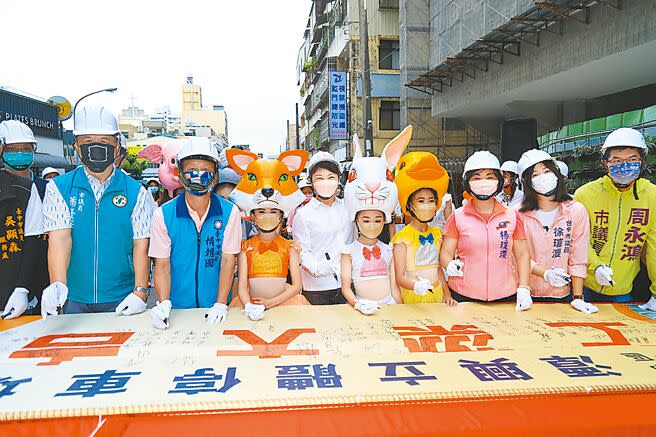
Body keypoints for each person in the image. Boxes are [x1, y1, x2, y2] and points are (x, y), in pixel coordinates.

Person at [41, 105, 156, 316]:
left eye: (104, 142)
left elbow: (141, 244)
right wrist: (57, 285)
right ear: (75, 146)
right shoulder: (59, 188)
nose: (95, 149)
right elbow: (59, 240)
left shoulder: (135, 191)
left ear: (117, 146)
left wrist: (140, 291)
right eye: (87, 143)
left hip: (121, 296)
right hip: (72, 297)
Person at [149, 138, 242, 328]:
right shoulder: (163, 215)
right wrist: (164, 301)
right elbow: (162, 264)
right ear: (179, 173)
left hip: (217, 307)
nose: (198, 175)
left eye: (206, 170)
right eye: (191, 169)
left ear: (215, 175)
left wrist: (221, 303)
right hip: (178, 309)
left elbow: (227, 261)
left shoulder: (230, 212)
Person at [573, 128, 656, 309]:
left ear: (642, 162)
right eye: (617, 161)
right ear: (605, 164)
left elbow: (654, 248)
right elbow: (577, 240)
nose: (624, 166)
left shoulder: (652, 196)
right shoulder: (585, 194)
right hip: (584, 285)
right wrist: (595, 267)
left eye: (632, 160)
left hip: (622, 289)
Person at [440, 151, 532, 310]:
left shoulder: (512, 216)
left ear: (499, 181)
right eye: (477, 177)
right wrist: (449, 265)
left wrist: (524, 288)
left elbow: (522, 254)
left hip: (505, 295)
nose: (484, 182)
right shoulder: (458, 217)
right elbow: (446, 252)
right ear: (467, 182)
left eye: (490, 177)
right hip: (463, 295)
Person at [226, 148, 310, 319]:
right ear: (252, 216)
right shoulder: (245, 247)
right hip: (251, 304)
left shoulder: (290, 246)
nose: (267, 216)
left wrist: (270, 303)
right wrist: (249, 305)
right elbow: (242, 285)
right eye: (261, 212)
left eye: (273, 211)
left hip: (285, 304)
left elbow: (296, 286)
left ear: (281, 215)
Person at [516, 149, 597, 314]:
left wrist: (578, 297)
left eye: (546, 171)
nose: (543, 177)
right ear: (526, 182)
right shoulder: (518, 214)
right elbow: (515, 256)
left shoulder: (575, 211)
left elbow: (578, 256)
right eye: (535, 175)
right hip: (525, 294)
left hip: (562, 295)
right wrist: (544, 273)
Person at [341, 130, 409, 313]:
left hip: (391, 306)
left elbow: (394, 286)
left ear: (384, 221)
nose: (372, 224)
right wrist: (357, 304)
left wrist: (402, 310)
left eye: (378, 220)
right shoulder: (348, 251)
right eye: (366, 219)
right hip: (363, 307)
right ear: (356, 220)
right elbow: (346, 287)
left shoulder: (389, 249)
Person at [392, 150, 455, 305]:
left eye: (431, 201)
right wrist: (416, 286)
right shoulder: (401, 237)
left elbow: (438, 269)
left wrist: (447, 294)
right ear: (411, 206)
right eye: (421, 201)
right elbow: (399, 277)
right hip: (413, 296)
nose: (427, 205)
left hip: (438, 294)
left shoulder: (438, 234)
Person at [292, 151, 352, 305]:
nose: (326, 182)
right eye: (319, 178)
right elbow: (302, 251)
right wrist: (321, 268)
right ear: (311, 181)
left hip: (348, 284)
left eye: (331, 177)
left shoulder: (348, 207)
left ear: (339, 179)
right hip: (317, 288)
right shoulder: (303, 214)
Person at [0, 121, 45, 319]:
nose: (20, 153)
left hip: (26, 290)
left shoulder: (35, 189)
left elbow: (34, 242)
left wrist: (23, 288)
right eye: (13, 149)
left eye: (26, 149)